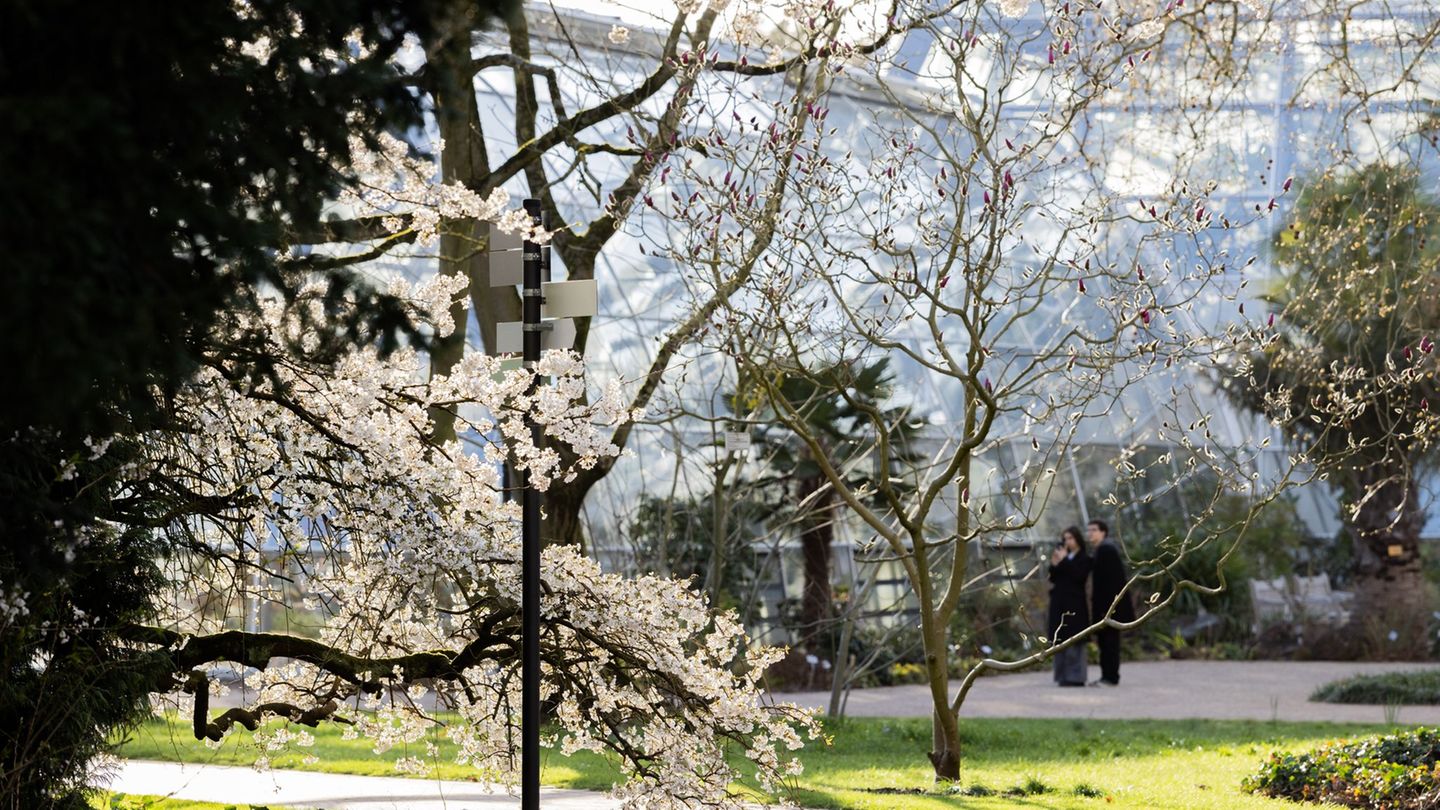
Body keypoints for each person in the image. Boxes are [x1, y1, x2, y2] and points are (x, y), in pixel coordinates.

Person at [1087, 519, 1134, 686]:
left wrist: (1107, 609)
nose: (1090, 533)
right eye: (1089, 530)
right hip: (1106, 607)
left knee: (1110, 642)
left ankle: (1110, 677)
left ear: (1103, 532)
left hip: (1109, 608)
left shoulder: (1107, 550)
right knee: (1104, 642)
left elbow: (1112, 583)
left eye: (1094, 530)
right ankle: (1106, 676)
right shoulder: (1101, 550)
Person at [1047, 526, 1091, 687]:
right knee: (1059, 639)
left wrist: (1065, 560)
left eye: (1070, 538)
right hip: (1059, 603)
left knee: (1075, 640)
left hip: (1075, 605)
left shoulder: (1085, 558)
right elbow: (1053, 578)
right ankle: (1062, 676)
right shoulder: (1063, 556)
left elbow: (1079, 577)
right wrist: (1054, 563)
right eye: (1065, 538)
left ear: (1078, 539)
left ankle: (1076, 677)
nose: (1067, 542)